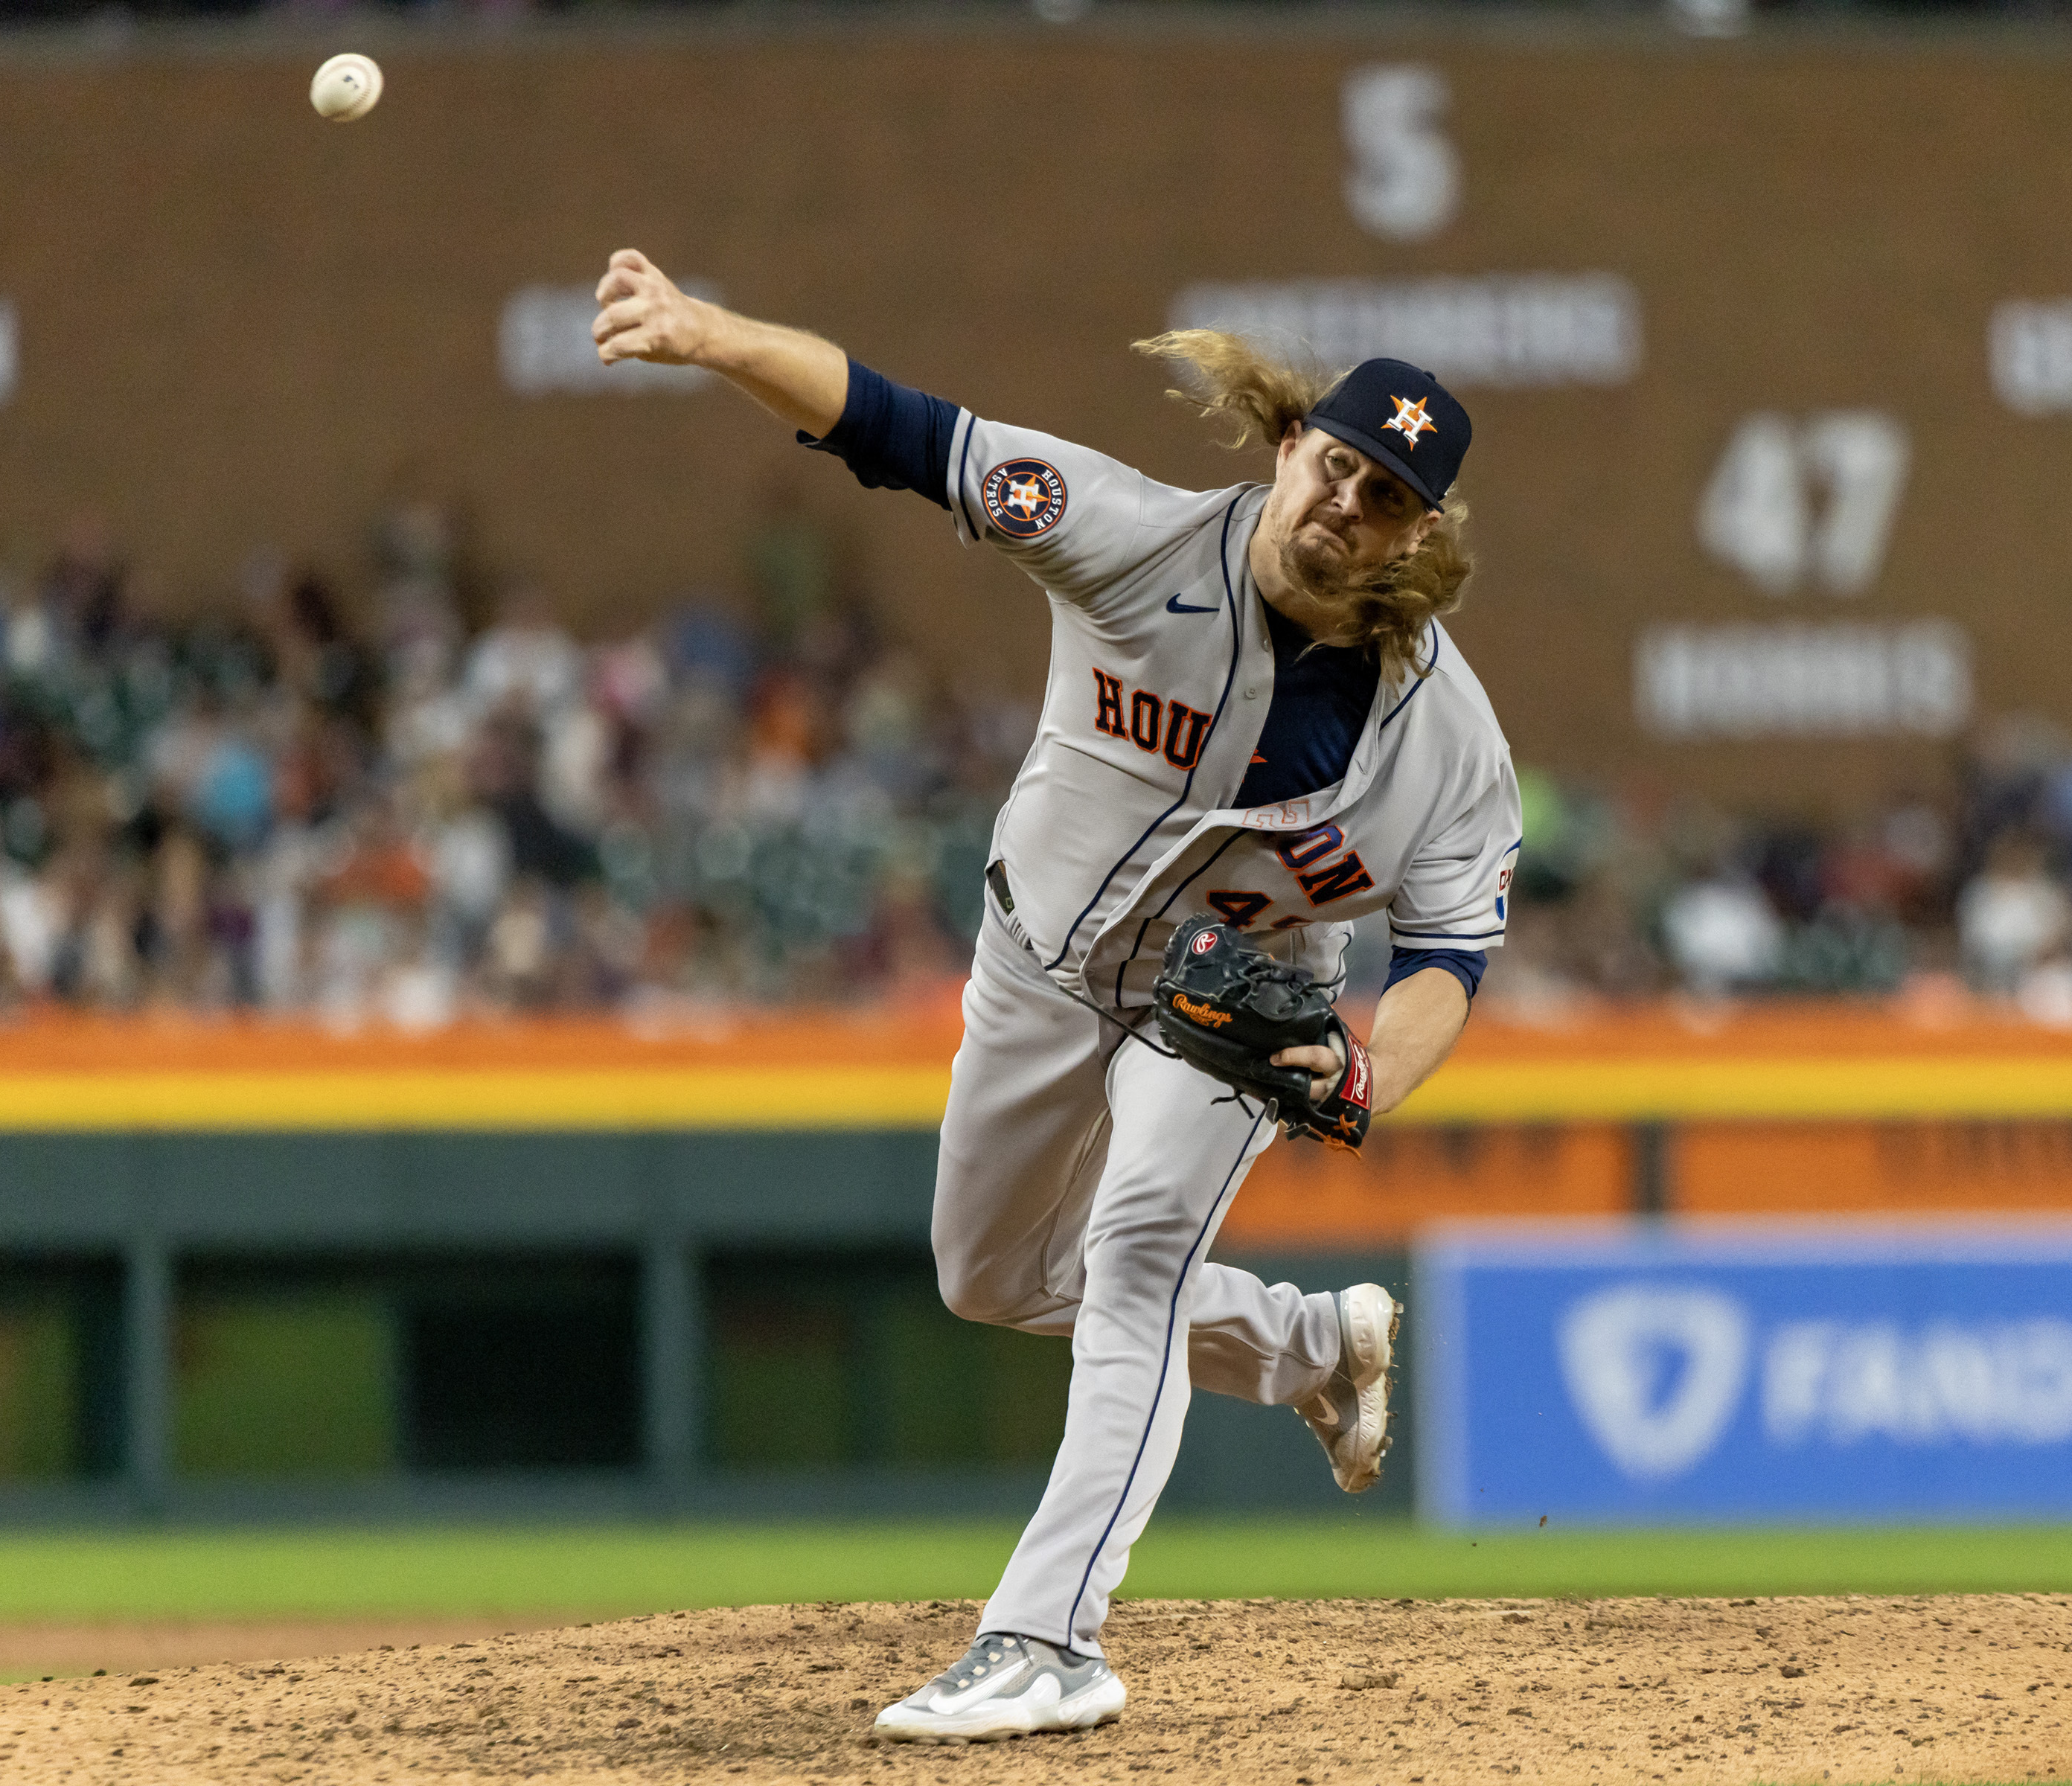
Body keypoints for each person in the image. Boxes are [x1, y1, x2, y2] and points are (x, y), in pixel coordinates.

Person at [591, 250, 1521, 1743]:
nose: (1348, 507)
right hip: (1038, 958)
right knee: (990, 1276)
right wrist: (711, 335)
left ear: (1419, 532)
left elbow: (1449, 960)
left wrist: (1359, 1078)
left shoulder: (1447, 741)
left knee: (1137, 1254)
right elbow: (899, 429)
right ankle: (1309, 1348)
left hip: (1236, 1001)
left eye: (1387, 499)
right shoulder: (1125, 533)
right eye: (1338, 467)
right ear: (1289, 451)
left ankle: (1046, 1639)